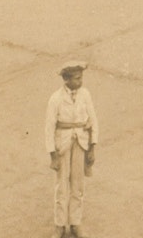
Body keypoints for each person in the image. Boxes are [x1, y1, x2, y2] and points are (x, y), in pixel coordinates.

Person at [44, 62, 98, 238]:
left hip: (81, 143)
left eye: (81, 77)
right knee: (61, 186)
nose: (80, 81)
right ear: (66, 79)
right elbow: (49, 128)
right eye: (76, 78)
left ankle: (75, 223)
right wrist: (53, 155)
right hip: (63, 145)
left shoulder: (85, 95)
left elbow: (93, 121)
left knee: (78, 184)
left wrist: (92, 147)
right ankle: (60, 225)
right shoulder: (56, 99)